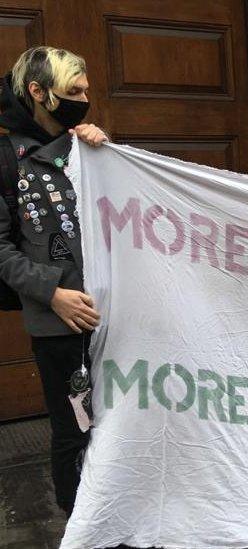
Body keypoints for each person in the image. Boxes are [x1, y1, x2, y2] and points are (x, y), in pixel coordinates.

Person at [0, 46, 109, 516]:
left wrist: (107, 154)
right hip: (58, 329)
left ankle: (120, 514)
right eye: (74, 91)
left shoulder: (85, 147)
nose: (85, 99)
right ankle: (81, 526)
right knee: (74, 432)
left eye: (86, 89)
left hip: (112, 317)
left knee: (119, 423)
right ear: (38, 93)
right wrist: (52, 293)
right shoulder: (7, 159)